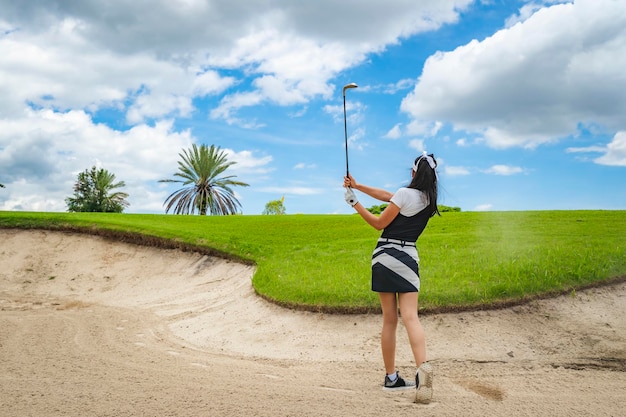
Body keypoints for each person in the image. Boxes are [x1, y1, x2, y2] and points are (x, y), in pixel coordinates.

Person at [342, 152, 439, 404]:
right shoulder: (428, 200)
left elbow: (378, 223)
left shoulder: (404, 195)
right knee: (411, 317)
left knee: (389, 320)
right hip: (408, 259)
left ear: (413, 173)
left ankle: (391, 378)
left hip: (385, 256)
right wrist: (359, 185)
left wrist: (354, 202)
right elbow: (388, 195)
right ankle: (422, 369)